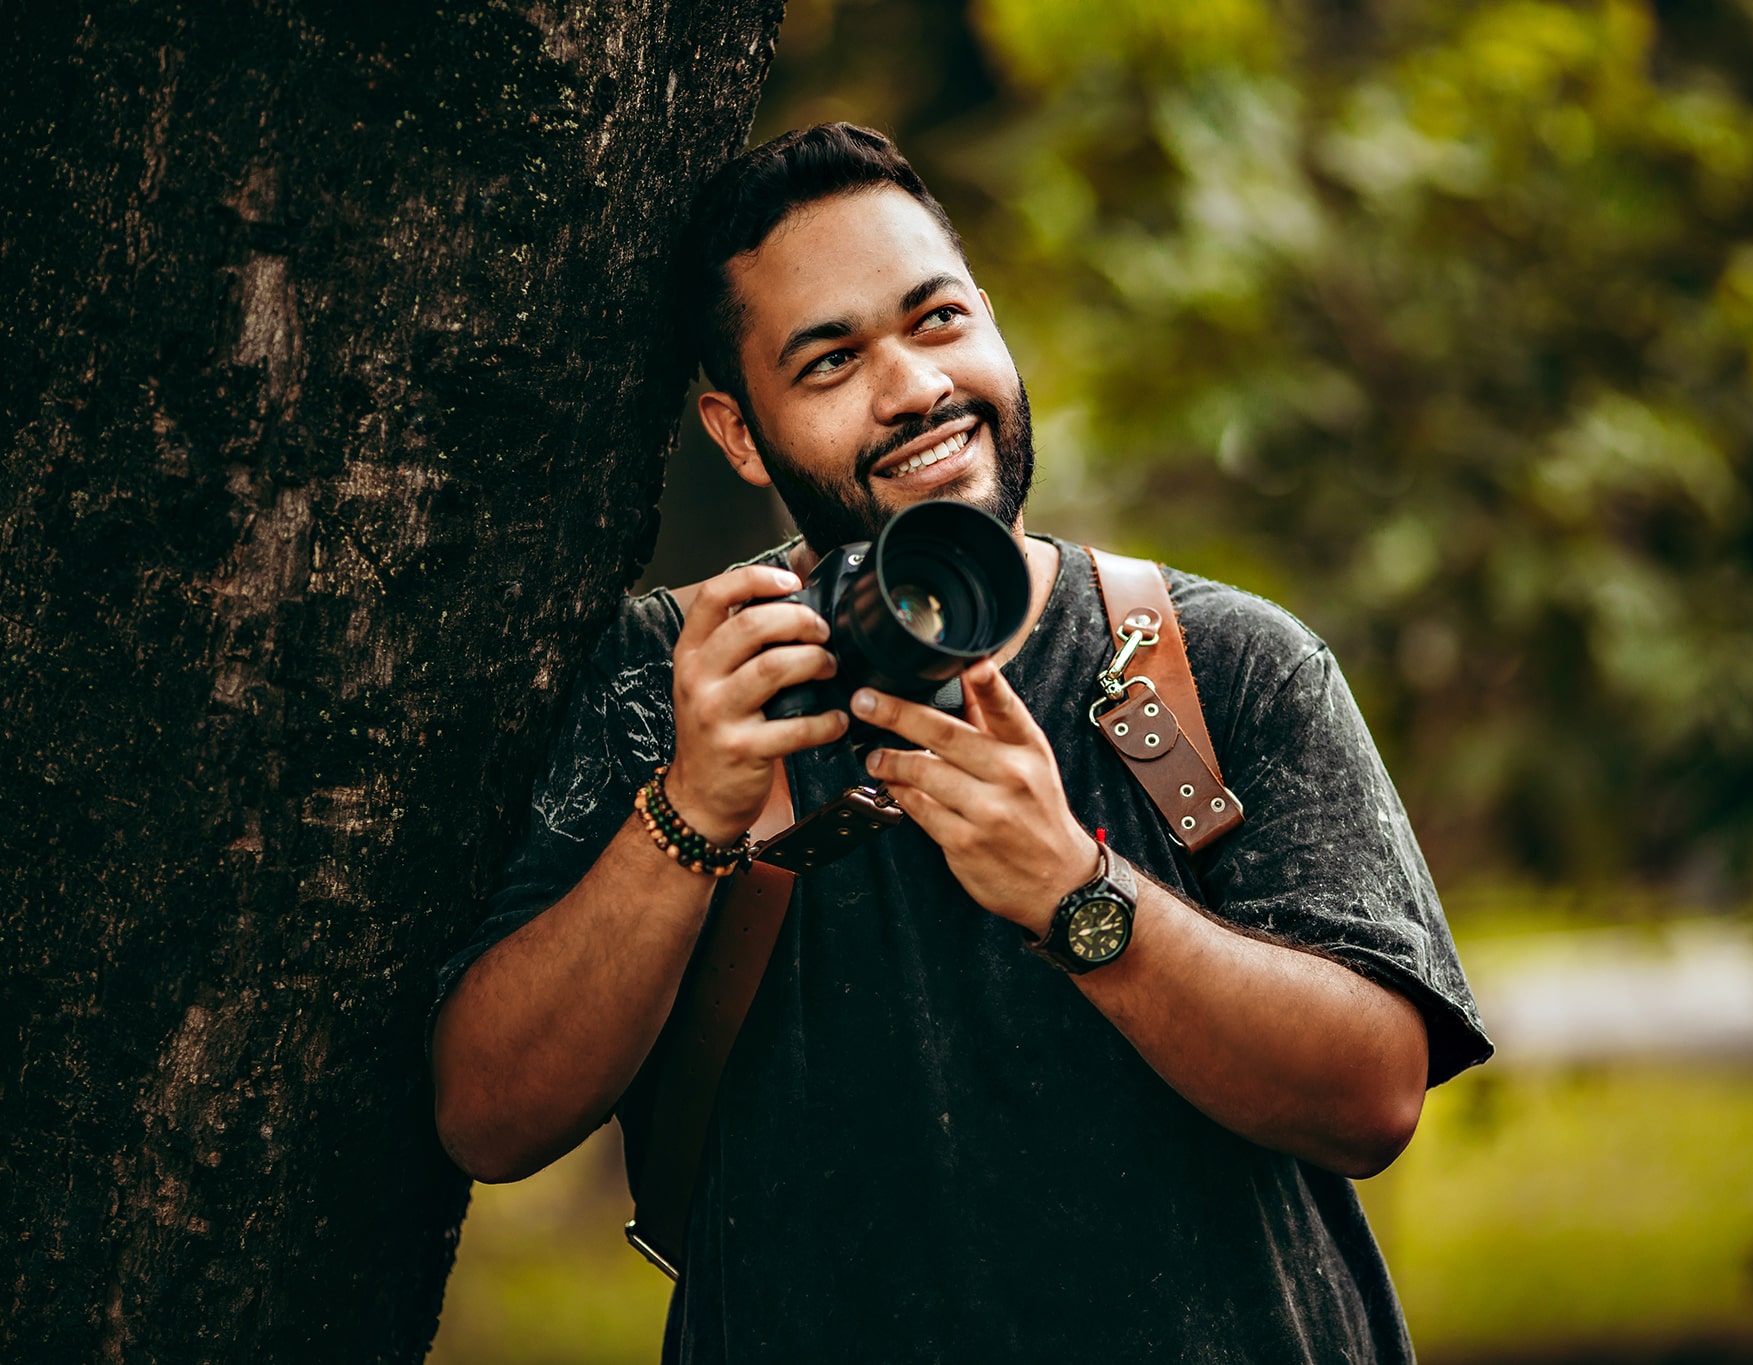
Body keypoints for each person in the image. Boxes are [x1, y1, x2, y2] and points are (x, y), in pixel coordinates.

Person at [430, 122, 1491, 1363]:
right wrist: (691, 809)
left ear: (987, 320)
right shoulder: (678, 685)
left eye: (934, 321)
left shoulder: (1217, 665)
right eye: (828, 361)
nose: (915, 388)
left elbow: (1373, 1098)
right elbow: (487, 1123)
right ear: (733, 429)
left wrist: (1075, 893)